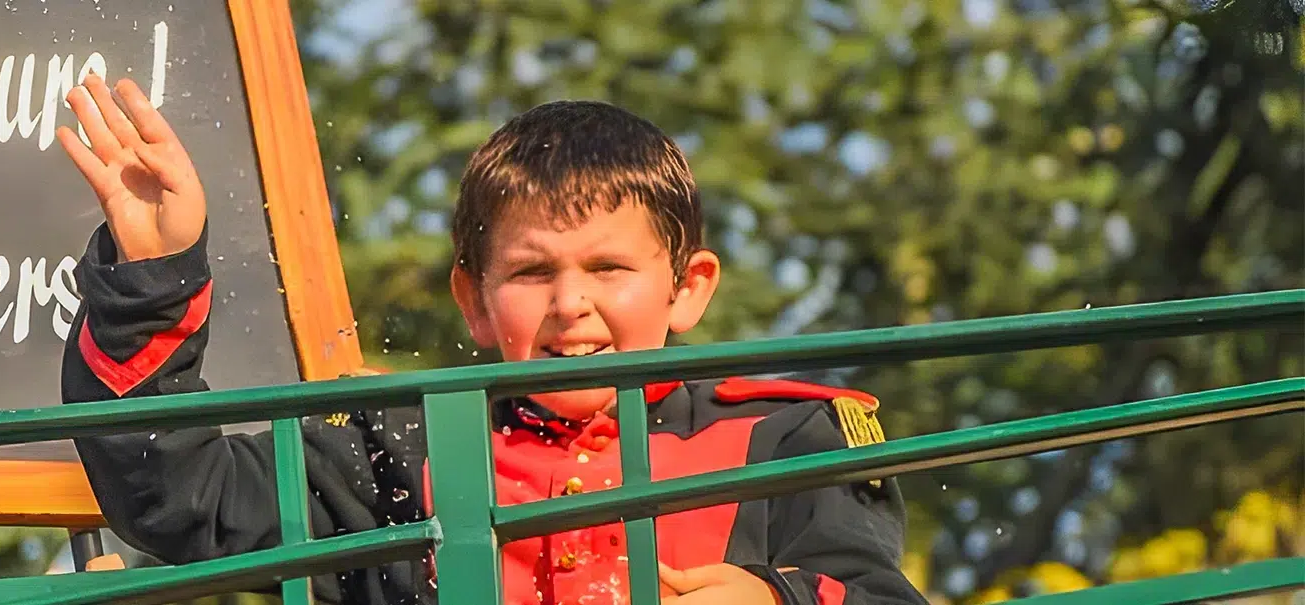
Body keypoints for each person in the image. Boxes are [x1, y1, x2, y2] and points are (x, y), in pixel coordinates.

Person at [55, 73, 927, 605]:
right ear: (473, 302)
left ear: (688, 287)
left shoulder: (789, 439)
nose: (571, 304)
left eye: (608, 268)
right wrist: (153, 275)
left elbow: (877, 592)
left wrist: (775, 597)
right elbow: (180, 494)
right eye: (532, 273)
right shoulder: (396, 450)